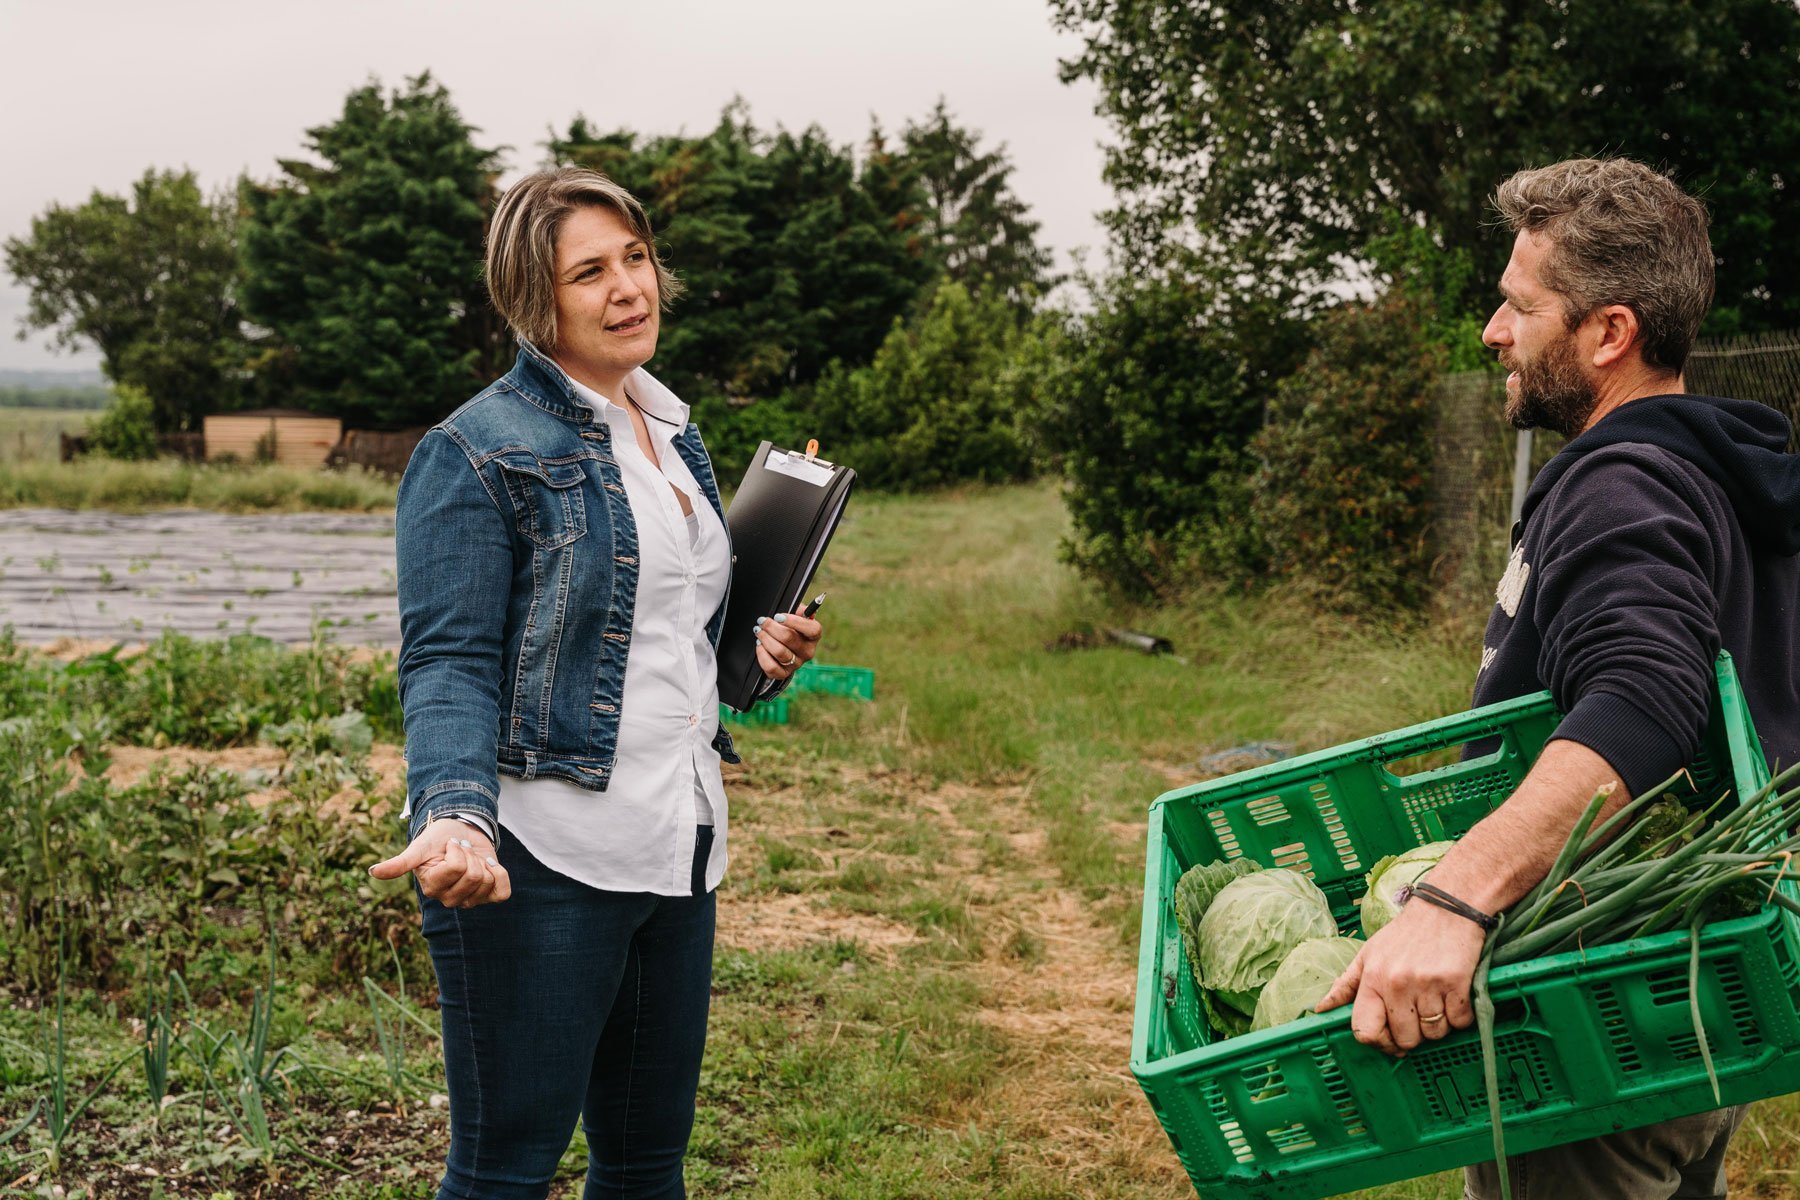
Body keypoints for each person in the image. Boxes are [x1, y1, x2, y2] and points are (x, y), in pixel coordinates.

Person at [1318, 157, 1800, 1198]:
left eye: (1518, 305)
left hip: (1597, 1010)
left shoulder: (1621, 485)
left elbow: (1645, 698)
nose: (1494, 331)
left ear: (1608, 333)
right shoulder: (1707, 474)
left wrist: (1455, 898)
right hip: (1686, 995)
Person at [369, 167, 824, 1200]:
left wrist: (753, 659)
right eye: (590, 271)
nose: (629, 287)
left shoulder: (671, 433)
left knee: (645, 1164)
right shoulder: (475, 452)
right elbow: (447, 658)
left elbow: (664, 641)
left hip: (679, 843)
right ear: (537, 300)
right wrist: (454, 814)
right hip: (540, 857)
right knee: (504, 1170)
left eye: (636, 257)